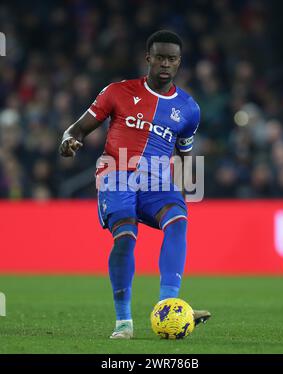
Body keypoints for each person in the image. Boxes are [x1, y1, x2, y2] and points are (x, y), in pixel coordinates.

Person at [59, 30, 211, 339]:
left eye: (171, 59)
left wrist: (181, 187)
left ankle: (168, 305)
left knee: (178, 220)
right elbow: (77, 129)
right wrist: (69, 140)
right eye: (159, 58)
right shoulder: (117, 92)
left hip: (156, 179)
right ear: (148, 59)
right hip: (116, 173)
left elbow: (184, 153)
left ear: (179, 63)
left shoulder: (189, 109)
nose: (165, 64)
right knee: (126, 237)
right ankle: (124, 322)